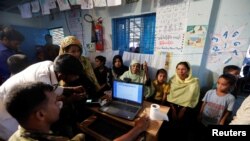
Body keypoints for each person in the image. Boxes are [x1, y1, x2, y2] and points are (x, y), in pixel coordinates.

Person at [4, 82, 149, 141]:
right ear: (40, 114)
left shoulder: (15, 136)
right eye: (55, 102)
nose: (60, 103)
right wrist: (138, 129)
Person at [0, 54, 86, 140]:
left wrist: (70, 89)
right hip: (5, 115)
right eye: (75, 75)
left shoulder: (51, 65)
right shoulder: (42, 80)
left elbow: (52, 88)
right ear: (62, 75)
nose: (77, 77)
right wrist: (70, 100)